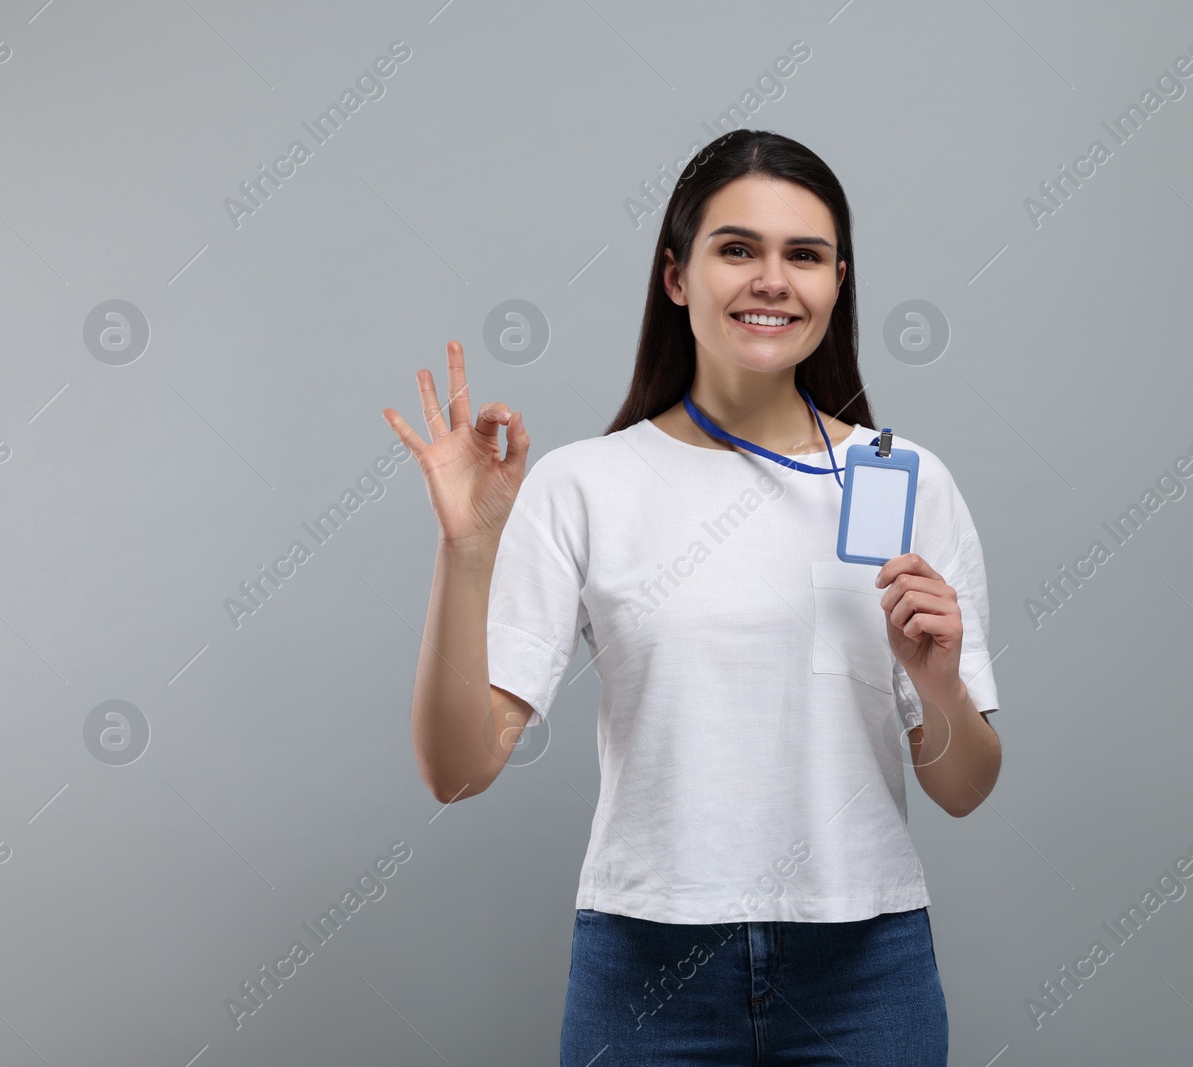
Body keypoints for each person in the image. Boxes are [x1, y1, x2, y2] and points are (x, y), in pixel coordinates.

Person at [382, 129, 1002, 1066]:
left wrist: (943, 685)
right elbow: (458, 770)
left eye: (805, 255)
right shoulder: (585, 482)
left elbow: (965, 786)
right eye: (736, 248)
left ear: (838, 283)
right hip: (645, 965)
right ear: (677, 276)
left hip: (866, 964)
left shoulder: (906, 479)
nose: (772, 279)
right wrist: (466, 550)